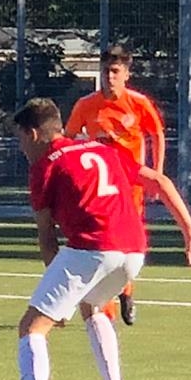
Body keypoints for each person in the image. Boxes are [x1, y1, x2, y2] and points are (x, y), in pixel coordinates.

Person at [1, 97, 191, 380]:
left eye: (21, 138)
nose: (21, 148)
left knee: (31, 328)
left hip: (92, 248)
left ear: (33, 134)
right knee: (93, 307)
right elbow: (160, 182)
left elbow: (47, 237)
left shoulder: (44, 167)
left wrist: (58, 302)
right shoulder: (103, 150)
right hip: (133, 251)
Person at [65, 45, 166, 325]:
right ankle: (105, 306)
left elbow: (156, 134)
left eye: (114, 71)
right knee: (105, 243)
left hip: (131, 186)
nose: (109, 77)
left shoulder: (138, 103)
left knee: (130, 243)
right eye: (105, 71)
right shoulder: (86, 105)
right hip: (102, 188)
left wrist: (156, 173)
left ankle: (126, 291)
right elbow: (69, 137)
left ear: (126, 74)